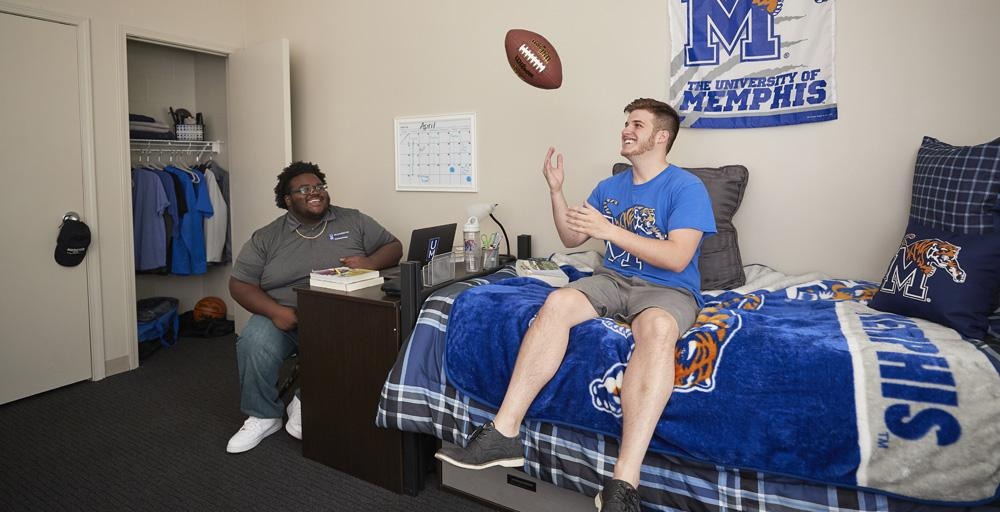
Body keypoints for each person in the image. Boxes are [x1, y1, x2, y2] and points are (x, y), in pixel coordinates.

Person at [434, 99, 716, 512]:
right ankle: (503, 432)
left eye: (636, 124)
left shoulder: (685, 187)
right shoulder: (609, 188)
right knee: (559, 301)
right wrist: (555, 190)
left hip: (666, 287)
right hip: (612, 281)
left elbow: (677, 257)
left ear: (661, 137)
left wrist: (610, 232)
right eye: (625, 123)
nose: (626, 130)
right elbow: (571, 238)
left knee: (657, 331)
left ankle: (624, 482)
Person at [226, 161, 402, 453]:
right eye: (304, 189)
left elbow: (393, 246)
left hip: (343, 314)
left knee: (359, 342)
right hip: (285, 314)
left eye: (319, 186)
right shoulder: (266, 238)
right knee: (253, 343)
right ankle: (263, 415)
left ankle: (304, 400)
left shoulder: (354, 221)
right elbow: (240, 284)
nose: (315, 192)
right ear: (287, 200)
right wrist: (275, 313)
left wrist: (371, 263)